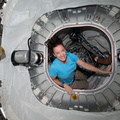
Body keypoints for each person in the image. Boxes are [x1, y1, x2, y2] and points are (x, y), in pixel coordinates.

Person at [47, 37, 112, 95]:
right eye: (58, 53)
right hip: (70, 84)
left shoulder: (70, 55)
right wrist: (64, 85)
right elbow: (53, 80)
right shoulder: (54, 67)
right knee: (86, 84)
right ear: (54, 55)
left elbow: (84, 65)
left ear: (65, 49)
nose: (62, 55)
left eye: (62, 50)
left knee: (85, 78)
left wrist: (103, 71)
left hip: (75, 73)